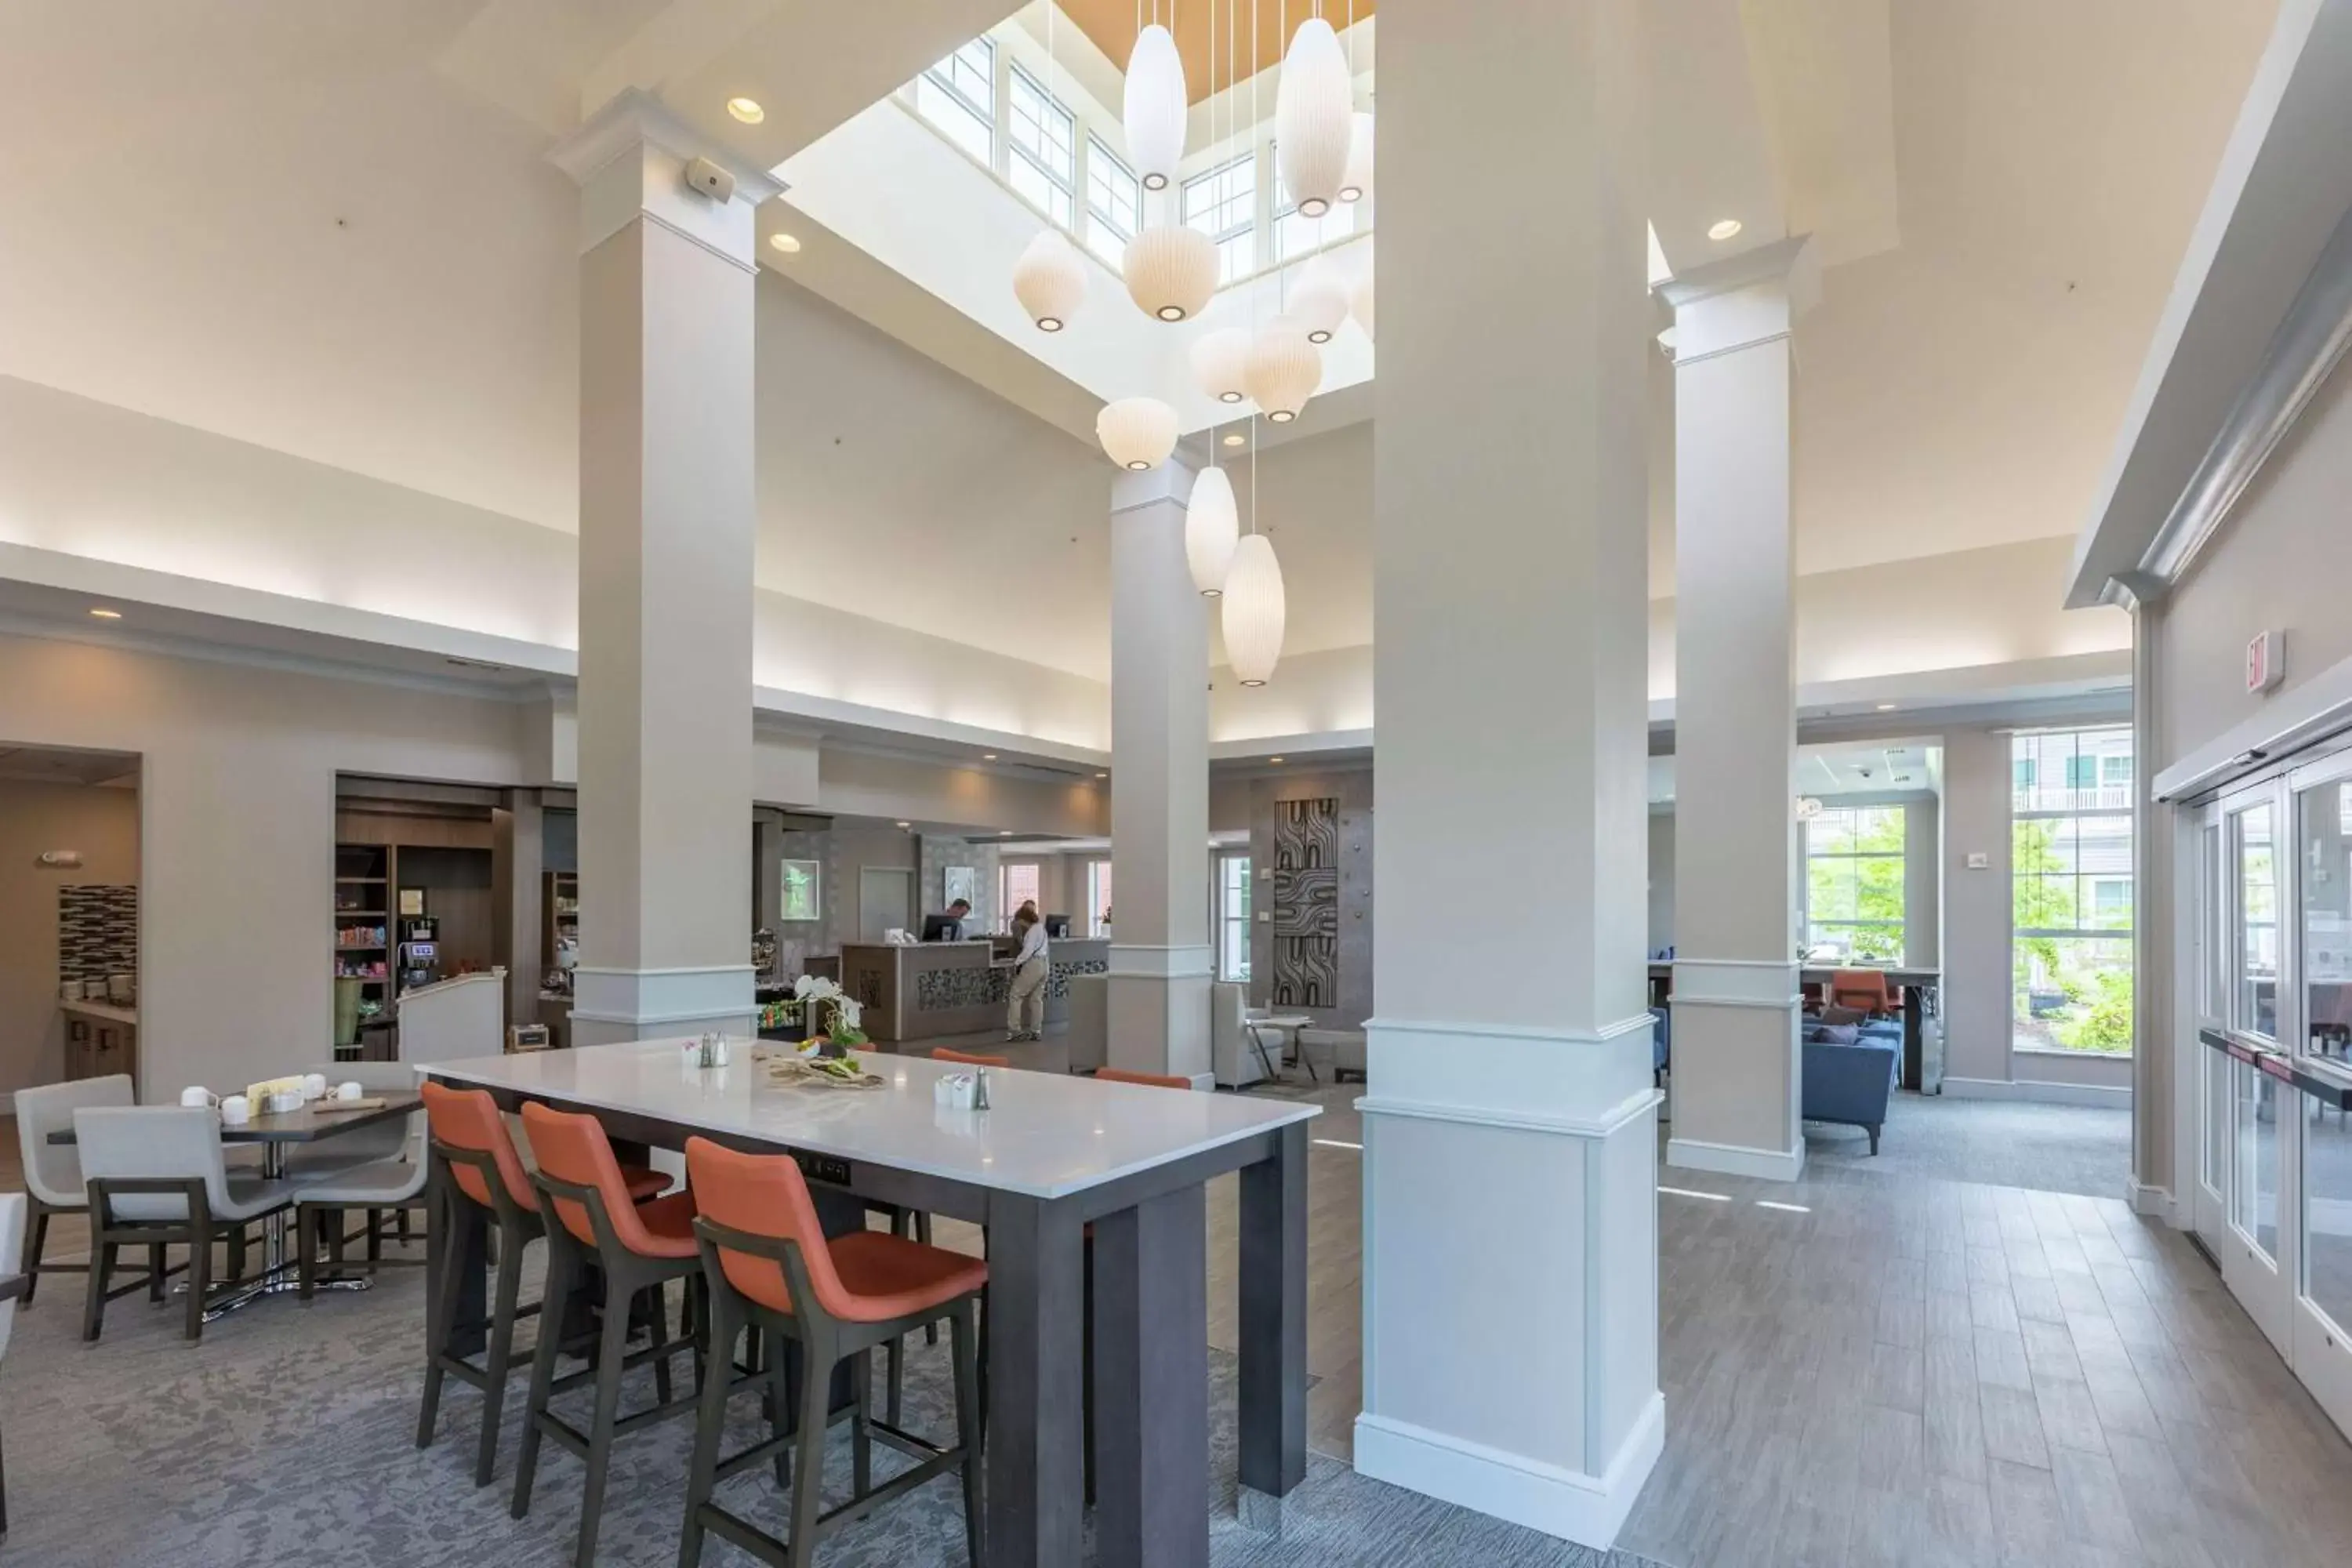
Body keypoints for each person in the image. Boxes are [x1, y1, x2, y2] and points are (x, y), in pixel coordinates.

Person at [1004, 906, 1050, 1043]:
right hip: (1044, 964)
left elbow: (1028, 951)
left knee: (1015, 995)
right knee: (1036, 999)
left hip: (1033, 964)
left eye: (1020, 921)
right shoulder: (1041, 928)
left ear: (1024, 919)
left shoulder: (1032, 931)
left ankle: (1015, 1031)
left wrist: (1017, 963)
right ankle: (1036, 1031)